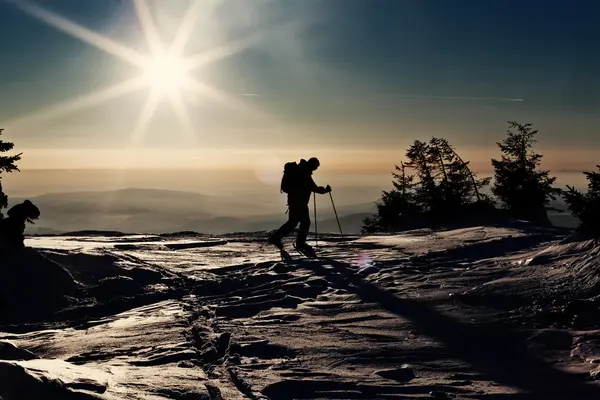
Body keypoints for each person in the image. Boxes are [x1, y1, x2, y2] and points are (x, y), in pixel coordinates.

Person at [268, 157, 331, 253]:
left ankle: (277, 237)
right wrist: (325, 190)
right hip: (300, 202)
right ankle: (299, 243)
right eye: (316, 166)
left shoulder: (301, 170)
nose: (316, 169)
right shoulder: (304, 173)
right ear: (312, 165)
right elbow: (313, 187)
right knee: (304, 222)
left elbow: (310, 186)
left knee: (293, 222)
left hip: (294, 201)